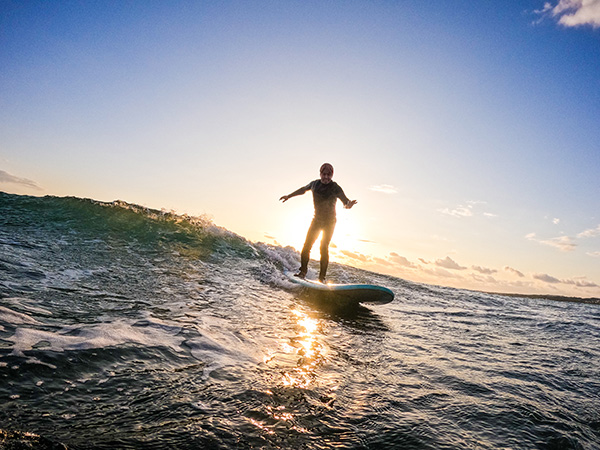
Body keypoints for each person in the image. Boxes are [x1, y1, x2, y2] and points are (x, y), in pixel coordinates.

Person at [280, 163, 357, 283]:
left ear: (332, 175)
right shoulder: (314, 184)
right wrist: (289, 196)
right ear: (320, 174)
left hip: (330, 223)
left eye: (328, 175)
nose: (326, 177)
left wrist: (349, 205)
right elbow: (303, 190)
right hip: (316, 221)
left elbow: (345, 201)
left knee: (323, 247)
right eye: (324, 174)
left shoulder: (335, 187)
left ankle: (322, 278)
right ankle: (302, 272)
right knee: (306, 246)